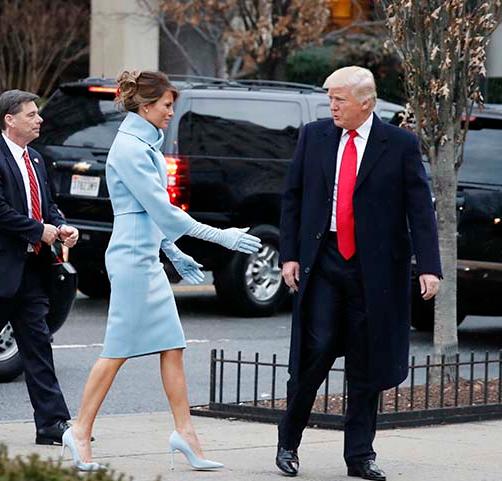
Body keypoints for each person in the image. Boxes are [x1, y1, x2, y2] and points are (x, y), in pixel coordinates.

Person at [62, 70, 262, 472]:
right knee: (116, 351)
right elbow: (163, 212)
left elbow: (149, 214)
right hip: (132, 261)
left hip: (144, 257)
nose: (172, 112)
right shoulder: (132, 148)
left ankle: (185, 434)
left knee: (173, 346)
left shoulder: (144, 142)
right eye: (168, 105)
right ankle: (79, 429)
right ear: (146, 105)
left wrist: (172, 251)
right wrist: (222, 237)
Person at [276, 66, 441, 481]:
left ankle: (360, 456)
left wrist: (430, 266)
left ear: (365, 103)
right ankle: (287, 444)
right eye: (329, 97)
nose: (331, 105)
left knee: (366, 366)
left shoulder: (399, 144)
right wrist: (289, 256)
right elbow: (293, 197)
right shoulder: (314, 136)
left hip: (375, 270)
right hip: (325, 260)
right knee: (314, 355)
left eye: (339, 99)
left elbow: (419, 207)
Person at [0, 90, 79, 445]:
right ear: (9, 120)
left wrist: (61, 227)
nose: (39, 120)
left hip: (32, 269)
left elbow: (47, 207)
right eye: (31, 114)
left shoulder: (35, 159)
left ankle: (52, 424)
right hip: (2, 268)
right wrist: (39, 230)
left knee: (38, 346)